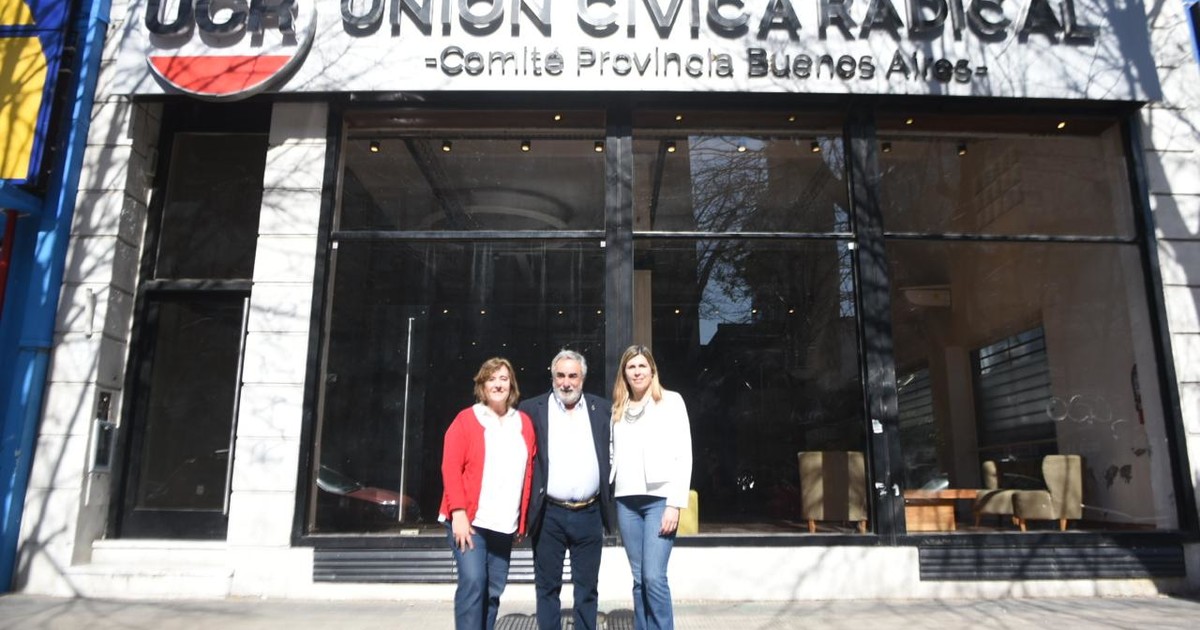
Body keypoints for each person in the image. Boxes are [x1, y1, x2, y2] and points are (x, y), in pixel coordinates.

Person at [439, 357, 537, 630]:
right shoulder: (467, 419)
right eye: (491, 379)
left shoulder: (523, 422)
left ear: (511, 385)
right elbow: (450, 468)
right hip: (470, 521)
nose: (498, 384)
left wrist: (522, 522)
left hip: (504, 524)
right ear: (482, 385)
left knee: (493, 589)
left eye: (503, 379)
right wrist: (458, 513)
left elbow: (529, 472)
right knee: (473, 583)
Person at [519, 349, 613, 630]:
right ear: (552, 377)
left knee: (587, 588)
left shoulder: (602, 409)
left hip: (590, 513)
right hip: (549, 514)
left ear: (582, 378)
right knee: (547, 587)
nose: (566, 382)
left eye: (573, 376)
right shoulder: (531, 409)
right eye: (560, 375)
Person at [610, 345, 692, 630]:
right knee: (638, 578)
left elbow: (684, 454)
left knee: (654, 577)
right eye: (631, 367)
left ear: (652, 370)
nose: (637, 372)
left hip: (659, 500)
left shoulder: (671, 402)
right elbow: (612, 451)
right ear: (624, 373)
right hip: (626, 500)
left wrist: (675, 503)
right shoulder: (619, 408)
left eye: (642, 366)